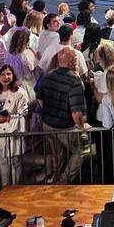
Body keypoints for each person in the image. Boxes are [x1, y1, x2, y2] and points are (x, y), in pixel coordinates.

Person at [37, 47, 89, 184]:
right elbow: (76, 113)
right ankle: (63, 182)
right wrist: (82, 127)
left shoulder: (48, 76)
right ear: (72, 62)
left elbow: (40, 100)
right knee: (82, 151)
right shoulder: (74, 81)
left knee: (58, 156)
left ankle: (55, 182)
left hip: (48, 125)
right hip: (65, 128)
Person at [0, 64, 30, 185]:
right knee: (3, 162)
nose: (6, 77)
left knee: (15, 162)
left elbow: (24, 114)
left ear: (13, 75)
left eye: (9, 74)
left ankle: (15, 190)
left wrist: (6, 119)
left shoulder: (20, 93)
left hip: (14, 133)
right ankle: (5, 189)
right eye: (3, 74)